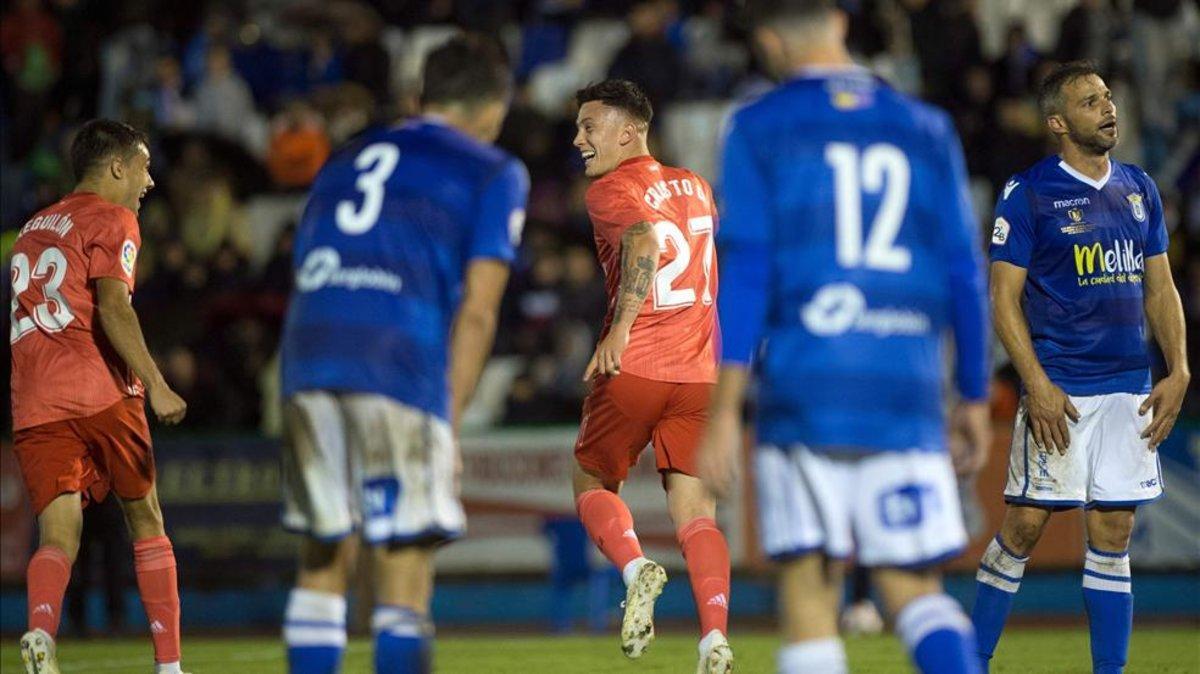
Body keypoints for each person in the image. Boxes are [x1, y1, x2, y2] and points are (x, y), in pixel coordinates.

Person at [697, 1, 991, 673]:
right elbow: (962, 271)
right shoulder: (926, 126)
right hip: (905, 387)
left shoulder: (756, 126)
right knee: (913, 588)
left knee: (809, 591)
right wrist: (971, 393)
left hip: (805, 387)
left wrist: (723, 410)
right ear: (839, 21)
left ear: (769, 41)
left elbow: (747, 272)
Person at [277, 35, 527, 674]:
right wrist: (446, 413)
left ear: (421, 96)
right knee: (404, 560)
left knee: (324, 553)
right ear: (495, 105)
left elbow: (304, 266)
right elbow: (478, 310)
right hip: (396, 354)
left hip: (308, 354)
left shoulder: (345, 158)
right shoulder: (493, 169)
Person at [971, 61, 1189, 674]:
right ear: (1059, 122)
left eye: (1109, 96)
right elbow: (1002, 297)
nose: (1109, 107)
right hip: (1061, 388)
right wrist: (1035, 383)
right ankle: (971, 662)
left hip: (1129, 389)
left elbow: (1161, 288)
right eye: (1092, 101)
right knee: (1026, 525)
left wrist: (1179, 370)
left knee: (1115, 533)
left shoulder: (1139, 187)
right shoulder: (1030, 192)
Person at [11, 118, 189, 674]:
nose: (150, 181)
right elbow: (114, 307)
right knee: (146, 519)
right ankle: (169, 667)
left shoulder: (32, 226)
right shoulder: (116, 218)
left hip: (35, 401)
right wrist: (157, 383)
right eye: (144, 165)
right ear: (117, 167)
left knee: (58, 533)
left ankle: (41, 631)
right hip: (101, 389)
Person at [570, 78, 733, 674]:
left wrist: (618, 329)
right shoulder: (697, 185)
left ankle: (637, 568)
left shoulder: (610, 190)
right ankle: (713, 639)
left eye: (590, 127)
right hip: (701, 375)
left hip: (637, 362)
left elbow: (642, 240)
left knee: (589, 481)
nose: (579, 140)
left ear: (630, 131)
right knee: (697, 514)